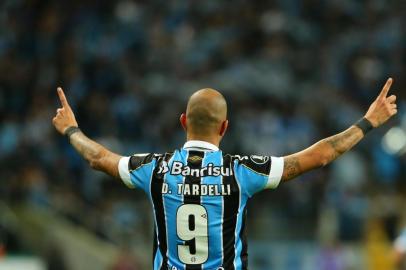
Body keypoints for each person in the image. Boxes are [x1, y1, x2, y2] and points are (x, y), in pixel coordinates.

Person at [52, 78, 397, 270]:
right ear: (225, 127)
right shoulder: (242, 172)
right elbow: (322, 155)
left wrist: (71, 130)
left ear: (183, 121)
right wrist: (368, 122)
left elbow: (98, 158)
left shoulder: (154, 169)